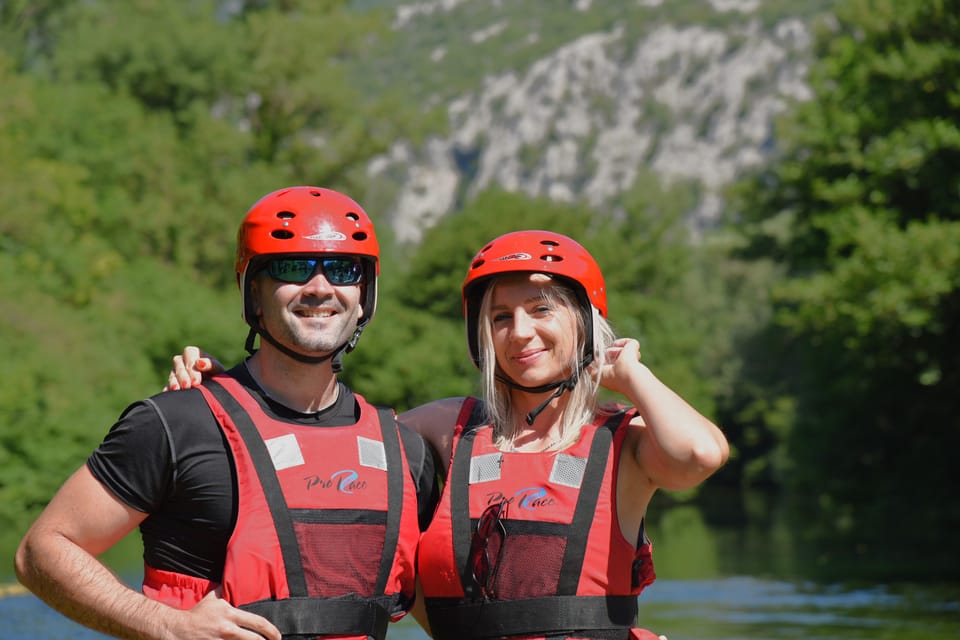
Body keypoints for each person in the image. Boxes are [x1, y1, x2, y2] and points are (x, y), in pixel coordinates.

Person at [168, 230, 728, 640]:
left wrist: (630, 375)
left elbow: (699, 455)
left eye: (541, 310)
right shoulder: (445, 429)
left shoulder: (622, 441)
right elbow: (320, 437)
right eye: (501, 317)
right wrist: (223, 393)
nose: (520, 332)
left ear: (585, 319)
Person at [15, 186, 439, 640]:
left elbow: (449, 614)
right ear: (254, 295)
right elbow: (41, 551)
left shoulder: (405, 454)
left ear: (364, 295)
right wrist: (169, 625)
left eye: (341, 269)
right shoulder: (178, 424)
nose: (320, 287)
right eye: (293, 267)